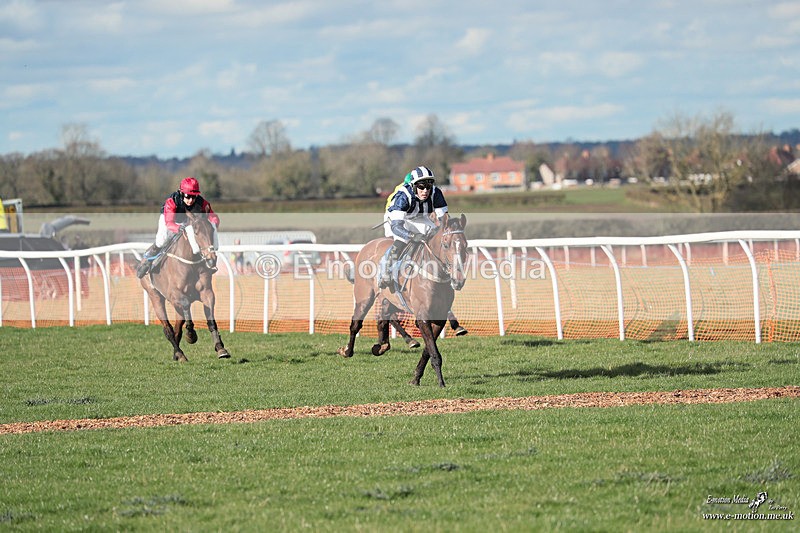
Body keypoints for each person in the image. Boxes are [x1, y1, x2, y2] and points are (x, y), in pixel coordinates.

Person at [136, 177, 220, 279]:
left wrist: (213, 223)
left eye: (194, 197)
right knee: (161, 241)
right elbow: (169, 222)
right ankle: (147, 261)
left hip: (186, 220)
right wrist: (179, 228)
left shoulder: (202, 202)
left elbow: (213, 216)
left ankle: (206, 264)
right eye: (188, 196)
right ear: (181, 193)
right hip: (169, 219)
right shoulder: (172, 201)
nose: (191, 200)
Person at [380, 165, 448, 288]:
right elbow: (396, 227)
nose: (425, 190)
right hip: (397, 219)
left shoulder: (436, 193)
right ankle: (386, 271)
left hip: (419, 217)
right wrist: (412, 235)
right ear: (413, 186)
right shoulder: (403, 196)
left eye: (428, 186)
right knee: (402, 240)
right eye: (421, 187)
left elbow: (445, 221)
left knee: (435, 235)